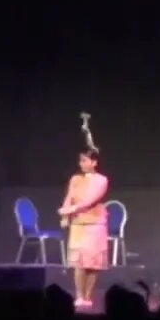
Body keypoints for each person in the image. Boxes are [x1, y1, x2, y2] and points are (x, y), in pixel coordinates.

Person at [59, 113, 109, 308]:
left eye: (85, 161)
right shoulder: (75, 178)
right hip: (79, 224)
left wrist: (71, 208)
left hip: (95, 223)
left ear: (94, 162)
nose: (82, 164)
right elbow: (69, 196)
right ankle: (79, 295)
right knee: (79, 263)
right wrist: (66, 212)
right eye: (80, 161)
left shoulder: (102, 180)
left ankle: (88, 296)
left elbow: (90, 200)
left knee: (93, 263)